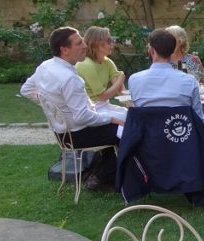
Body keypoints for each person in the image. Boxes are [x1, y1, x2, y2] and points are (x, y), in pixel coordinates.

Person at [20, 26, 125, 189]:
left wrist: (53, 107)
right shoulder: (69, 78)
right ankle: (101, 178)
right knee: (126, 132)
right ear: (64, 49)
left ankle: (100, 175)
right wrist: (111, 118)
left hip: (61, 133)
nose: (84, 46)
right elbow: (83, 117)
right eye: (79, 43)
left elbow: (25, 90)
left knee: (118, 128)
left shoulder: (46, 66)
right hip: (77, 134)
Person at [127, 28, 204, 121]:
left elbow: (137, 118)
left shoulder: (134, 80)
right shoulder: (189, 81)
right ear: (172, 51)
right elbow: (199, 119)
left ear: (151, 51)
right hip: (180, 133)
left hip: (148, 134)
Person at [75, 26, 125, 112]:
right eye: (109, 40)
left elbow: (120, 90)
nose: (112, 44)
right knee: (126, 119)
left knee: (130, 117)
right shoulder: (86, 65)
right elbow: (102, 96)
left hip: (101, 105)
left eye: (112, 40)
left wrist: (132, 106)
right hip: (88, 108)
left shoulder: (107, 62)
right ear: (96, 43)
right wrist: (120, 80)